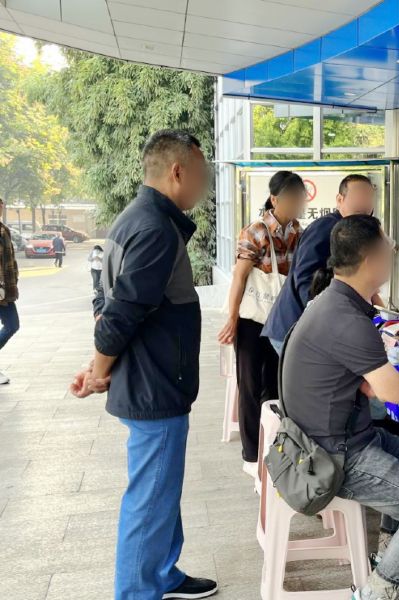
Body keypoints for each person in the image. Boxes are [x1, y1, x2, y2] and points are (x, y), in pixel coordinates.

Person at [69, 130, 218, 600]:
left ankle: (163, 573)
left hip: (149, 377)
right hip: (155, 384)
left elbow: (107, 302)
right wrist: (98, 371)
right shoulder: (154, 228)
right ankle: (137, 590)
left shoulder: (134, 218)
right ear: (177, 171)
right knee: (150, 498)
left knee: (160, 490)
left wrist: (98, 365)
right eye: (201, 173)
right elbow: (121, 313)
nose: (205, 184)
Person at [281, 215, 399, 600]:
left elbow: (365, 384)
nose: (394, 252)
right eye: (388, 247)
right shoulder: (347, 319)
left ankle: (390, 549)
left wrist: (370, 380)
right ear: (371, 260)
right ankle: (377, 591)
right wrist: (378, 378)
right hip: (335, 455)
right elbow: (394, 393)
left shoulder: (332, 302)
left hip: (336, 436)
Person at [217, 170, 306, 478]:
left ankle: (274, 447)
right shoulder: (255, 231)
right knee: (250, 385)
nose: (298, 204)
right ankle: (251, 455)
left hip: (282, 320)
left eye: (300, 198)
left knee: (276, 384)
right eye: (292, 198)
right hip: (252, 321)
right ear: (274, 199)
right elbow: (240, 277)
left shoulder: (299, 232)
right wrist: (231, 318)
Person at [263, 174, 377, 354]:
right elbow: (305, 278)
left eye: (368, 197)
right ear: (340, 199)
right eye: (358, 196)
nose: (364, 203)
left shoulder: (354, 231)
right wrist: (324, 320)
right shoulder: (326, 228)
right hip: (296, 326)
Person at [0, 197, 19, 385]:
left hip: (5, 290)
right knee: (12, 324)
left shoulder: (3, 229)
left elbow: (10, 259)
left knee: (12, 325)